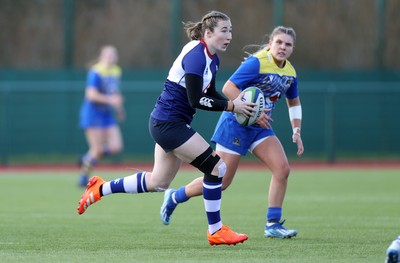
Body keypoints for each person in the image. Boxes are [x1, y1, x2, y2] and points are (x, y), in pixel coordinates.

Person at [77, 10, 255, 246]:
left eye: (230, 30)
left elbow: (209, 93)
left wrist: (235, 104)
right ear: (208, 33)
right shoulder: (196, 56)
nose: (229, 35)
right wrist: (233, 106)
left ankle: (100, 188)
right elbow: (195, 100)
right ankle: (216, 231)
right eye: (224, 30)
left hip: (168, 123)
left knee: (158, 183)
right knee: (217, 167)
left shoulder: (212, 59)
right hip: (169, 124)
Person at [160, 26, 304, 239]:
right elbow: (229, 88)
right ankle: (175, 196)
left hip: (260, 128)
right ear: (270, 43)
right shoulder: (257, 62)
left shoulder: (290, 72)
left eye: (288, 44)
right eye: (279, 42)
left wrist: (297, 129)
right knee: (222, 181)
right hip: (234, 125)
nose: (283, 47)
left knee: (282, 169)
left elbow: (294, 102)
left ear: (292, 48)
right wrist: (250, 109)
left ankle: (272, 224)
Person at [78, 45, 125, 187]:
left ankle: (87, 158)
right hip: (92, 114)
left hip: (107, 114)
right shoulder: (96, 72)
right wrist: (111, 100)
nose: (111, 57)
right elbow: (91, 95)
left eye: (113, 54)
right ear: (102, 57)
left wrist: (119, 109)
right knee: (97, 149)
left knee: (116, 146)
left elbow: (114, 93)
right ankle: (83, 177)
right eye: (108, 55)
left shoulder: (116, 71)